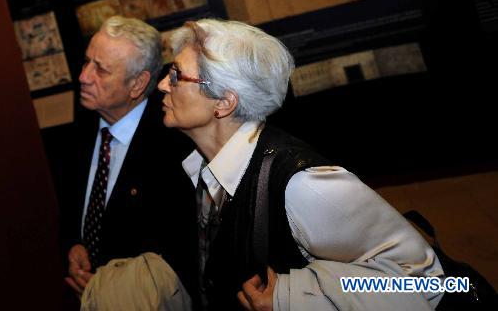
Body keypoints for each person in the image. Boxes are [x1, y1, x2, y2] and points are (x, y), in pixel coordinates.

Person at [158, 19, 443, 310]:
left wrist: (292, 296)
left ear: (224, 102)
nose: (162, 84)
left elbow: (423, 278)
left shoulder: (300, 184)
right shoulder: (207, 169)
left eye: (176, 75)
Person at [59, 16, 197, 299]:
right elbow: (74, 201)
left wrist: (111, 284)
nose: (84, 77)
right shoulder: (84, 120)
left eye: (101, 70)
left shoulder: (174, 143)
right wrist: (74, 245)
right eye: (86, 62)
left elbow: (180, 246)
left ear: (137, 84)